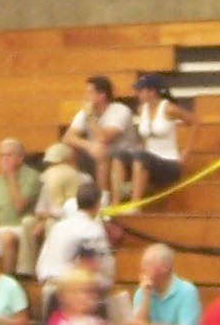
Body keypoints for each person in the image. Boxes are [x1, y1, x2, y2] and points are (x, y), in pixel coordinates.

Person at [116, 73, 193, 206]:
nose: (137, 94)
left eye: (141, 90)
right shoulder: (142, 109)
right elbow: (146, 136)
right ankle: (116, 201)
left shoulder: (169, 108)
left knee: (141, 158)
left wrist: (186, 151)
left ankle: (135, 204)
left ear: (152, 92)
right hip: (149, 158)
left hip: (169, 161)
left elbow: (194, 122)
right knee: (119, 155)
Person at [121, 244, 200, 325]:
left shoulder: (187, 291)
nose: (142, 268)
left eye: (148, 264)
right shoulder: (142, 291)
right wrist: (146, 296)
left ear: (165, 267)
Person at [32, 179, 111, 290]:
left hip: (48, 285)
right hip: (72, 289)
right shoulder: (93, 230)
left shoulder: (58, 227)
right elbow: (104, 266)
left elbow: (43, 261)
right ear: (98, 205)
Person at [0, 139, 46, 274]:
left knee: (6, 238)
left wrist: (11, 179)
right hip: (1, 226)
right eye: (1, 156)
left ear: (20, 157)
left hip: (23, 226)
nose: (4, 159)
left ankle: (7, 278)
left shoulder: (32, 177)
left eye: (9, 155)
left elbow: (19, 206)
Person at [63, 74, 134, 182]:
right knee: (69, 149)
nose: (85, 97)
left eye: (89, 93)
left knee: (101, 150)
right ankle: (75, 185)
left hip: (123, 155)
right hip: (95, 152)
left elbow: (103, 138)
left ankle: (103, 191)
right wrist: (89, 146)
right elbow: (67, 138)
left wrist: (90, 117)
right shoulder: (85, 113)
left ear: (102, 95)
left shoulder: (120, 111)